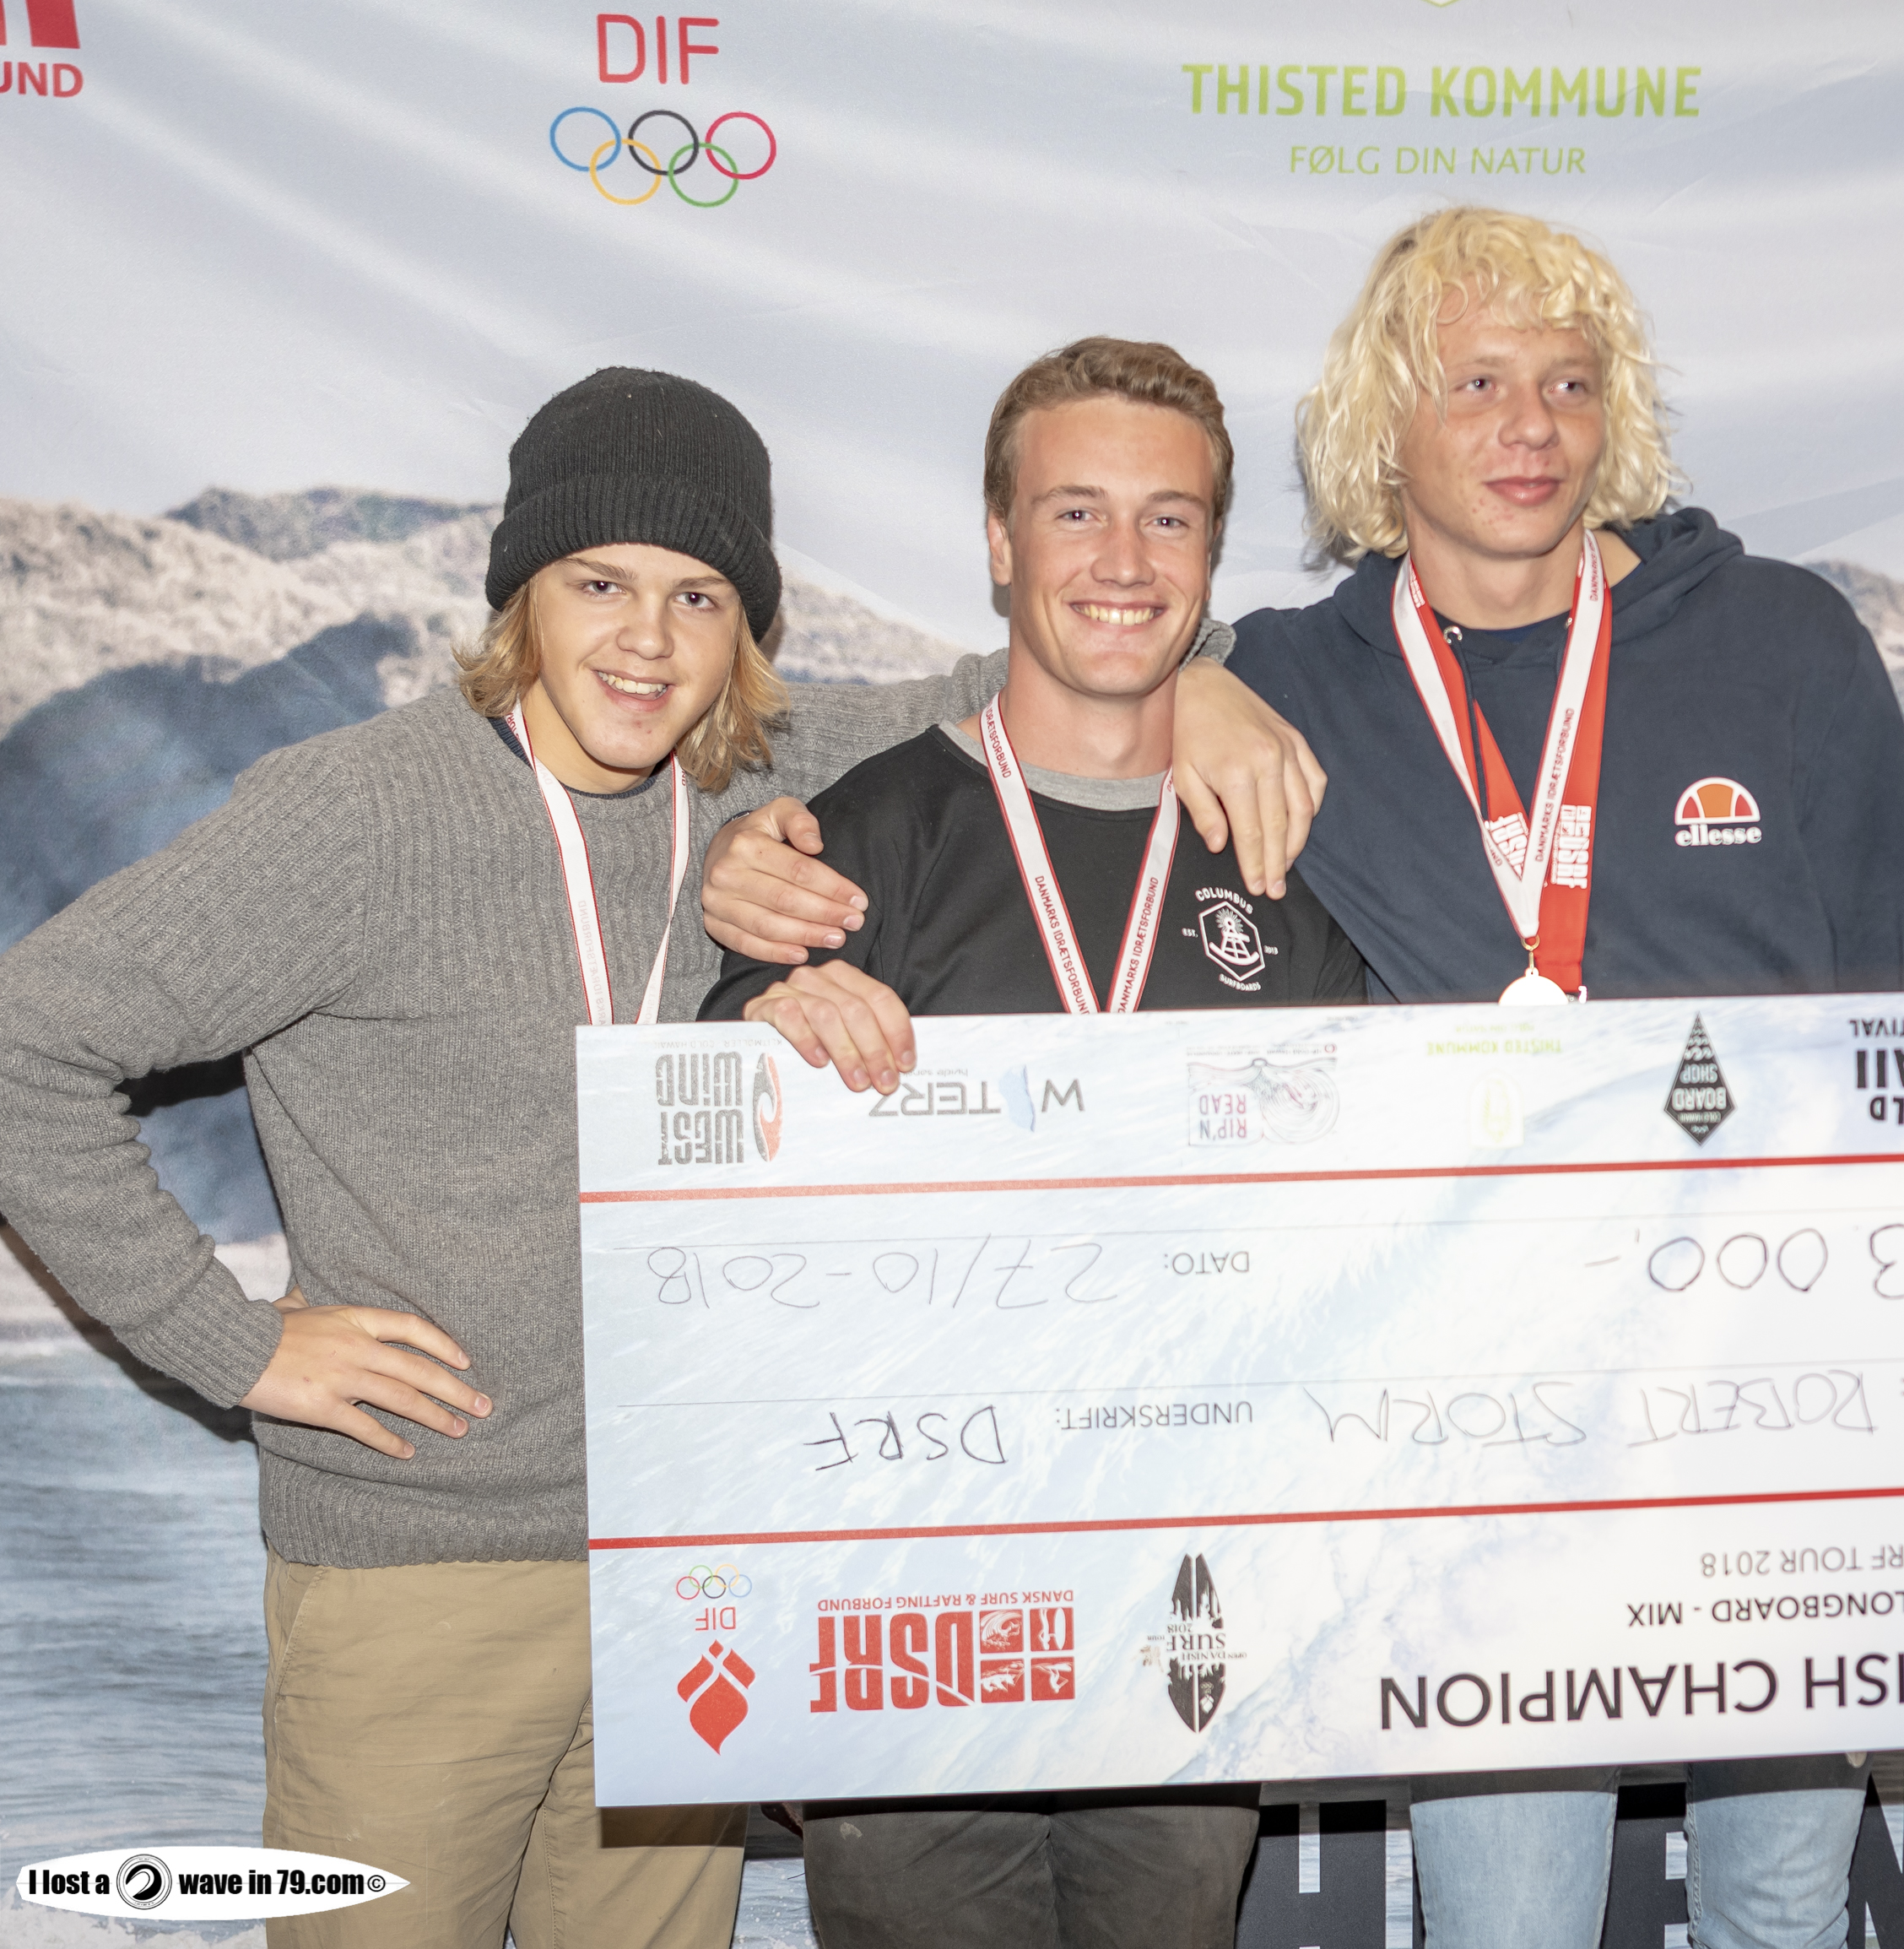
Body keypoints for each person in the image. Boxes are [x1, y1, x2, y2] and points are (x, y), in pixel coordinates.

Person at [695, 208, 1904, 1949]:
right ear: (1389, 420)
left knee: (1779, 1916)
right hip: (1483, 1449)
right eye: (1476, 383)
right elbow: (1037, 693)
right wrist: (762, 847)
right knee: (1508, 1931)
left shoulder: (1780, 639)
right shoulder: (1302, 677)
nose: (1529, 426)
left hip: (1764, 1403)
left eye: (1569, 383)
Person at [0, 366, 1318, 1949]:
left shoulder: (763, 774)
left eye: (698, 596)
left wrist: (1214, 684)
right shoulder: (357, 813)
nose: (647, 640)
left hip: (694, 1570)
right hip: (433, 1564)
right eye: (598, 584)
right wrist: (232, 1345)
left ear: (744, 625)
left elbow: (1066, 651)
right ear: (520, 594)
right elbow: (27, 1042)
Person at [705, 338, 1361, 1947]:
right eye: (1076, 513)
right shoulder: (866, 837)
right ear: (999, 543)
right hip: (909, 1616)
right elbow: (716, 1235)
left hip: (1192, 1608)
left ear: (1212, 554)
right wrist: (758, 1041)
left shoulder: (1284, 851)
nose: (1123, 561)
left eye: (1168, 519)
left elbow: (1370, 1236)